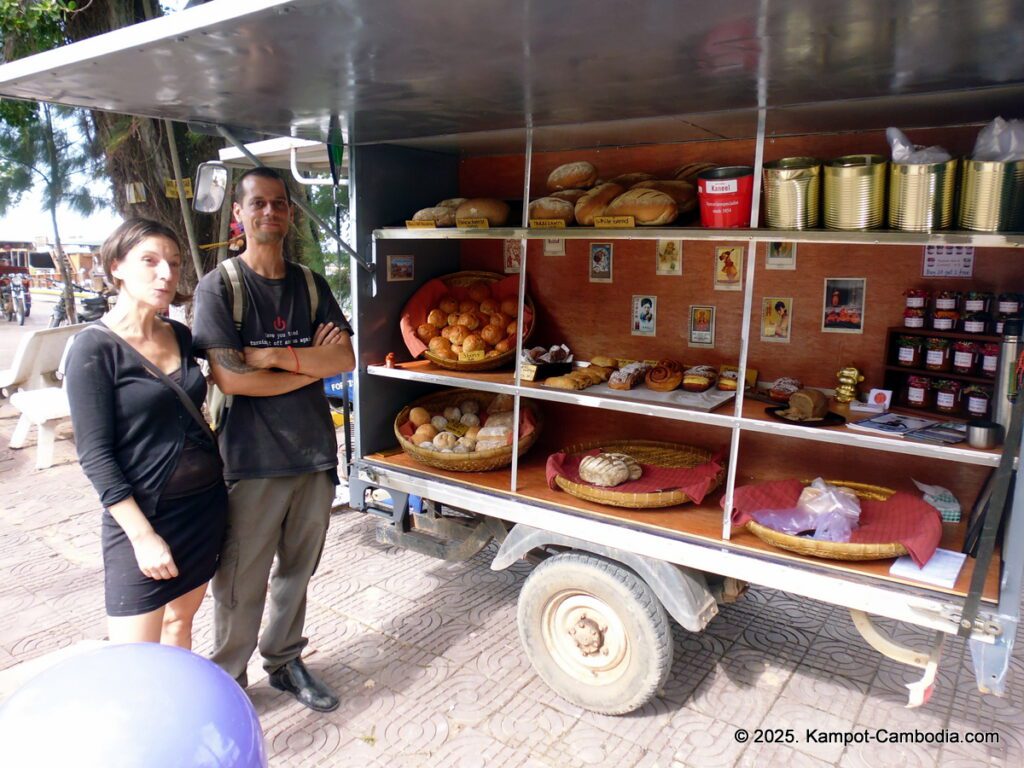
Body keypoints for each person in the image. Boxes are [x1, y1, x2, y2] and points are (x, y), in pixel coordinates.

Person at [192, 167, 355, 713]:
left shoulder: (311, 284)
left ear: (289, 213)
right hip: (251, 458)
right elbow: (231, 378)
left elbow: (345, 359)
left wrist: (272, 356)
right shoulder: (220, 287)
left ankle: (284, 661)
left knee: (297, 570)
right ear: (238, 213)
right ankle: (228, 679)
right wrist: (309, 365)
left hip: (312, 454)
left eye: (279, 204)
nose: (269, 212)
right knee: (241, 578)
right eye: (257, 203)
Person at [65, 218, 227, 648]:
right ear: (116, 266)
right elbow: (95, 455)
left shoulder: (178, 333)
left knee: (180, 625)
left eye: (173, 263)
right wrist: (142, 537)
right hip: (145, 518)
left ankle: (182, 717)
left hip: (203, 509)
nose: (166, 274)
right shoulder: (93, 348)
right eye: (150, 261)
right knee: (134, 659)